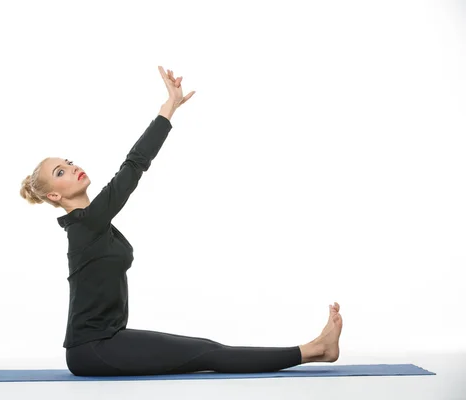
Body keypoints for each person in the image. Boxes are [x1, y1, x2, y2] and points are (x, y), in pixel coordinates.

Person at [19, 66, 343, 376]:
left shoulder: (94, 223)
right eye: (59, 172)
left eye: (68, 162)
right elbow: (132, 167)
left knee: (207, 349)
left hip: (106, 342)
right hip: (94, 349)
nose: (72, 168)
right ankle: (314, 350)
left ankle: (315, 349)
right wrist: (167, 110)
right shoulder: (86, 224)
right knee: (210, 353)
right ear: (54, 197)